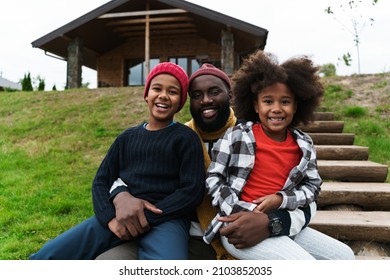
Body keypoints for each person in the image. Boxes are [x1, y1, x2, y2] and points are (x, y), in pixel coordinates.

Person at [95, 62, 354, 260]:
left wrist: (272, 221)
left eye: (214, 92)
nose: (206, 100)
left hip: (263, 226)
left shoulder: (251, 133)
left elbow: (309, 194)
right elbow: (140, 170)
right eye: (197, 95)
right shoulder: (181, 138)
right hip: (194, 233)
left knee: (343, 258)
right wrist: (119, 192)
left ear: (230, 95)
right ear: (188, 101)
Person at [29, 62, 205, 260]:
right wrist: (110, 219)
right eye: (157, 88)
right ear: (146, 94)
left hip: (167, 220)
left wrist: (148, 217)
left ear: (181, 100)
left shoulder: (186, 138)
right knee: (48, 255)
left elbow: (192, 190)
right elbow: (101, 181)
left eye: (172, 91)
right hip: (119, 215)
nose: (163, 95)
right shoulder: (126, 138)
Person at [202, 50, 355, 260]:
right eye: (268, 101)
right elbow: (213, 178)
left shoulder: (304, 144)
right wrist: (241, 210)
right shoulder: (237, 136)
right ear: (256, 105)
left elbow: (312, 187)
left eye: (285, 101)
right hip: (239, 226)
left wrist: (280, 199)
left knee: (344, 256)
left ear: (296, 105)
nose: (276, 109)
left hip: (281, 219)